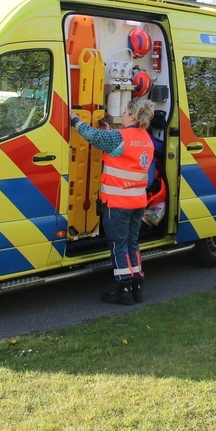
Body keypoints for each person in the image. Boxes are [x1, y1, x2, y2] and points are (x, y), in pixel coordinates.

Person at [70, 96, 156, 305]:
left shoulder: (120, 138)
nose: (123, 116)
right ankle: (137, 287)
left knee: (118, 246)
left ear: (133, 115)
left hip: (118, 204)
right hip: (137, 202)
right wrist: (109, 129)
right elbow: (121, 147)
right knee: (132, 244)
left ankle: (123, 290)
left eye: (125, 113)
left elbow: (92, 135)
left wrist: (74, 119)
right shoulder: (146, 138)